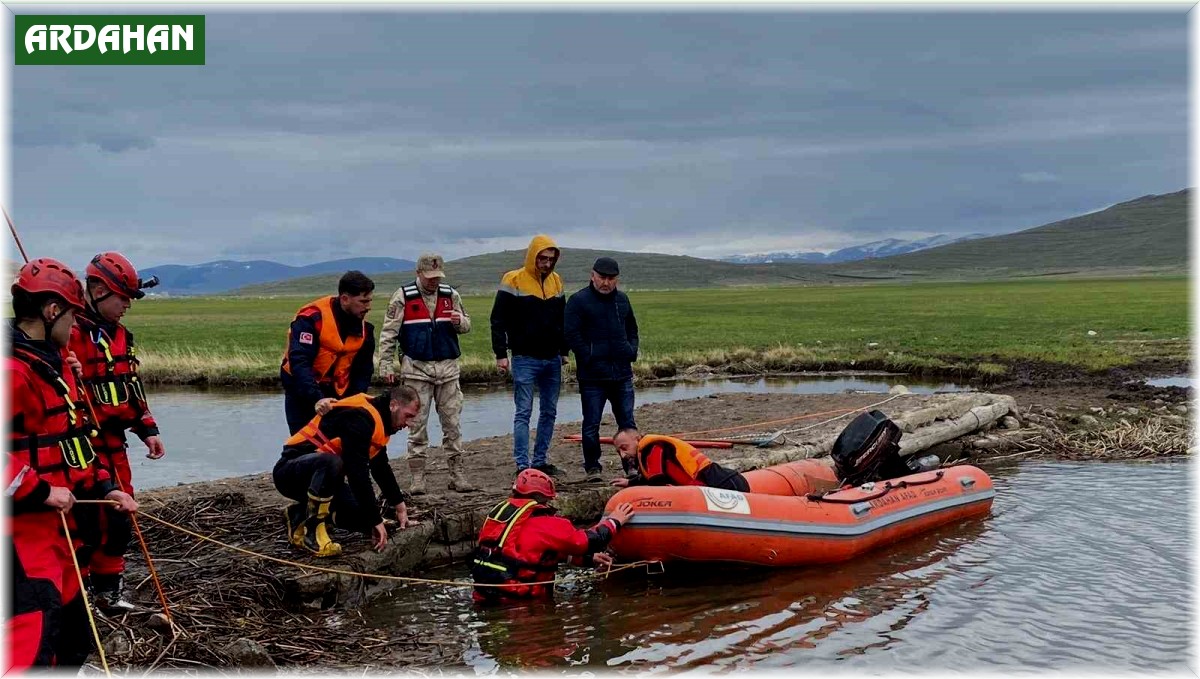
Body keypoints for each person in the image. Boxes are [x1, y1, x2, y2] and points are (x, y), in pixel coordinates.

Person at [6, 258, 137, 671]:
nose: (74, 326)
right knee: (29, 652)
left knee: (75, 640)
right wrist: (41, 491)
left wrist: (104, 487)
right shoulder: (12, 371)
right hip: (20, 537)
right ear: (51, 312)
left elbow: (73, 443)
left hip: (55, 536)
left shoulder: (53, 365)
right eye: (72, 315)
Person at [68, 251, 164, 612]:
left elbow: (131, 387)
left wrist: (148, 429)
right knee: (86, 524)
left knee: (120, 519)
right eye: (122, 297)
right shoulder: (69, 334)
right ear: (95, 289)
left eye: (129, 298)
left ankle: (109, 594)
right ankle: (77, 596)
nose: (127, 305)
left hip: (115, 445)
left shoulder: (122, 336)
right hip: (80, 448)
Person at [272, 385, 422, 557]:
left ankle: (298, 514)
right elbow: (356, 473)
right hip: (289, 474)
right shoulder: (360, 417)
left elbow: (381, 468)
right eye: (408, 416)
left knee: (365, 519)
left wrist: (400, 508)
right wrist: (375, 519)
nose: (409, 424)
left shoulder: (379, 422)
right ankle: (312, 533)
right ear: (394, 405)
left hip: (324, 482)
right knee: (332, 462)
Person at [374, 254, 475, 495]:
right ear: (418, 273)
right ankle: (418, 477)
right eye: (429, 277)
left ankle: (457, 474)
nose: (433, 281)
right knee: (416, 426)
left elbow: (467, 324)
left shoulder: (451, 295)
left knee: (452, 425)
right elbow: (388, 334)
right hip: (416, 371)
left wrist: (460, 321)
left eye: (437, 277)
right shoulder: (402, 297)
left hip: (448, 370)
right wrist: (385, 365)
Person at [470, 468, 634, 604]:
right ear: (545, 498)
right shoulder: (546, 523)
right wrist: (614, 521)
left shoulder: (499, 516)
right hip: (520, 603)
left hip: (484, 595)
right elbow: (589, 541)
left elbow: (530, 553)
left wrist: (588, 560)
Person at [489, 235, 569, 477]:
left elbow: (562, 319)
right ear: (533, 256)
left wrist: (564, 351)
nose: (546, 263)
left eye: (550, 259)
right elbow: (497, 319)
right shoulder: (513, 280)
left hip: (552, 358)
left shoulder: (556, 281)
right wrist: (501, 354)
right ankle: (523, 464)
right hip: (524, 357)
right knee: (523, 411)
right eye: (542, 258)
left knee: (549, 411)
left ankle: (540, 460)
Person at [564, 257, 639, 481]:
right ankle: (593, 468)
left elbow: (632, 329)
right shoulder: (578, 301)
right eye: (602, 277)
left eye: (611, 278)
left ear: (616, 279)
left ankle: (633, 467)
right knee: (591, 424)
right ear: (592, 275)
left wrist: (630, 350)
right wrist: (588, 356)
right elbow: (571, 334)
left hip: (622, 373)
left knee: (628, 423)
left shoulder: (623, 300)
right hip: (592, 376)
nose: (606, 282)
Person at [280, 271, 376, 435]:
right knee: (303, 445)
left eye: (369, 301)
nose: (368, 307)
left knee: (340, 444)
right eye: (363, 301)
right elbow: (299, 362)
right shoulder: (310, 319)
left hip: (338, 392)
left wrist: (354, 400)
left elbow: (363, 371)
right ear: (345, 299)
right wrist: (317, 398)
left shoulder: (366, 330)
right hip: (302, 390)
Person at [610, 429, 750, 492]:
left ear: (637, 439)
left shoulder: (653, 448)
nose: (623, 455)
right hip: (726, 480)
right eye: (619, 452)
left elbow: (656, 481)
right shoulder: (646, 452)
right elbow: (653, 477)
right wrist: (630, 482)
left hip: (725, 484)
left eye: (624, 447)